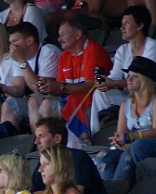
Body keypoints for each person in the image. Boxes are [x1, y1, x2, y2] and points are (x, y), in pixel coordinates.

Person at [89, 6, 156, 134]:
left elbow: (145, 79)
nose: (122, 27)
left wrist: (114, 84)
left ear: (140, 26)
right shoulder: (123, 50)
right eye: (121, 23)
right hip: (133, 93)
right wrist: (106, 83)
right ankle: (99, 135)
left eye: (127, 23)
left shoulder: (153, 46)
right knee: (100, 94)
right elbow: (115, 77)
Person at [33, 17, 111, 146]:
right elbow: (60, 89)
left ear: (78, 34)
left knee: (73, 100)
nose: (59, 39)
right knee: (46, 104)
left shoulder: (93, 50)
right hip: (70, 100)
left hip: (94, 100)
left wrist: (59, 87)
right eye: (58, 35)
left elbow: (91, 85)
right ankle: (52, 146)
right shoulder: (64, 55)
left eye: (63, 34)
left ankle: (81, 143)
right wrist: (49, 87)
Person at [98, 56, 156, 182]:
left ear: (145, 80)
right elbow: (121, 134)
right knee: (104, 157)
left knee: (130, 153)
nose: (129, 79)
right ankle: (108, 191)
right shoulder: (125, 105)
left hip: (153, 146)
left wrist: (130, 137)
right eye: (128, 76)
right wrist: (118, 139)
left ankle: (116, 192)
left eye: (134, 76)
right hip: (129, 147)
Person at [31, 117, 108, 194]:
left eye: (41, 136)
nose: (36, 142)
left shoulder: (78, 157)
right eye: (36, 137)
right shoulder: (41, 165)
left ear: (57, 138)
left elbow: (76, 193)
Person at [6, 22, 60, 136]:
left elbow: (40, 88)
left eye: (15, 41)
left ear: (29, 40)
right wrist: (2, 87)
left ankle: (39, 142)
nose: (11, 46)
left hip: (56, 97)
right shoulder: (19, 57)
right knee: (9, 103)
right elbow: (19, 89)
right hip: (33, 99)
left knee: (33, 100)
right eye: (10, 42)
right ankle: (8, 144)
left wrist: (22, 62)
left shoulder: (48, 51)